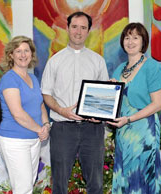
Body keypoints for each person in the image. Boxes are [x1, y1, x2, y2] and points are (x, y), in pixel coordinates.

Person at [41, 11, 109, 194]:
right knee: (60, 184)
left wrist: (99, 115)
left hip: (92, 129)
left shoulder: (98, 61)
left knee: (95, 183)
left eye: (83, 28)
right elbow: (46, 94)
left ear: (89, 31)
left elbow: (104, 96)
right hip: (63, 128)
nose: (78, 32)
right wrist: (61, 110)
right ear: (67, 28)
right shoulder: (54, 61)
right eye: (74, 27)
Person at [107, 23, 161, 193]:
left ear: (143, 41)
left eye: (135, 37)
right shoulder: (118, 70)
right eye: (127, 37)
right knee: (124, 176)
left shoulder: (152, 67)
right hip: (123, 134)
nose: (130, 41)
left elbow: (158, 104)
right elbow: (114, 105)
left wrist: (129, 119)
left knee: (141, 178)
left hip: (143, 133)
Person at [0, 36, 50, 194]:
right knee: (23, 188)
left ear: (31, 54)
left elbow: (40, 104)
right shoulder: (9, 79)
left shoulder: (32, 77)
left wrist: (46, 125)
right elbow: (18, 113)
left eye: (26, 50)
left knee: (28, 186)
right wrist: (39, 130)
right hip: (15, 140)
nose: (23, 54)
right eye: (18, 51)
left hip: (34, 139)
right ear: (11, 55)